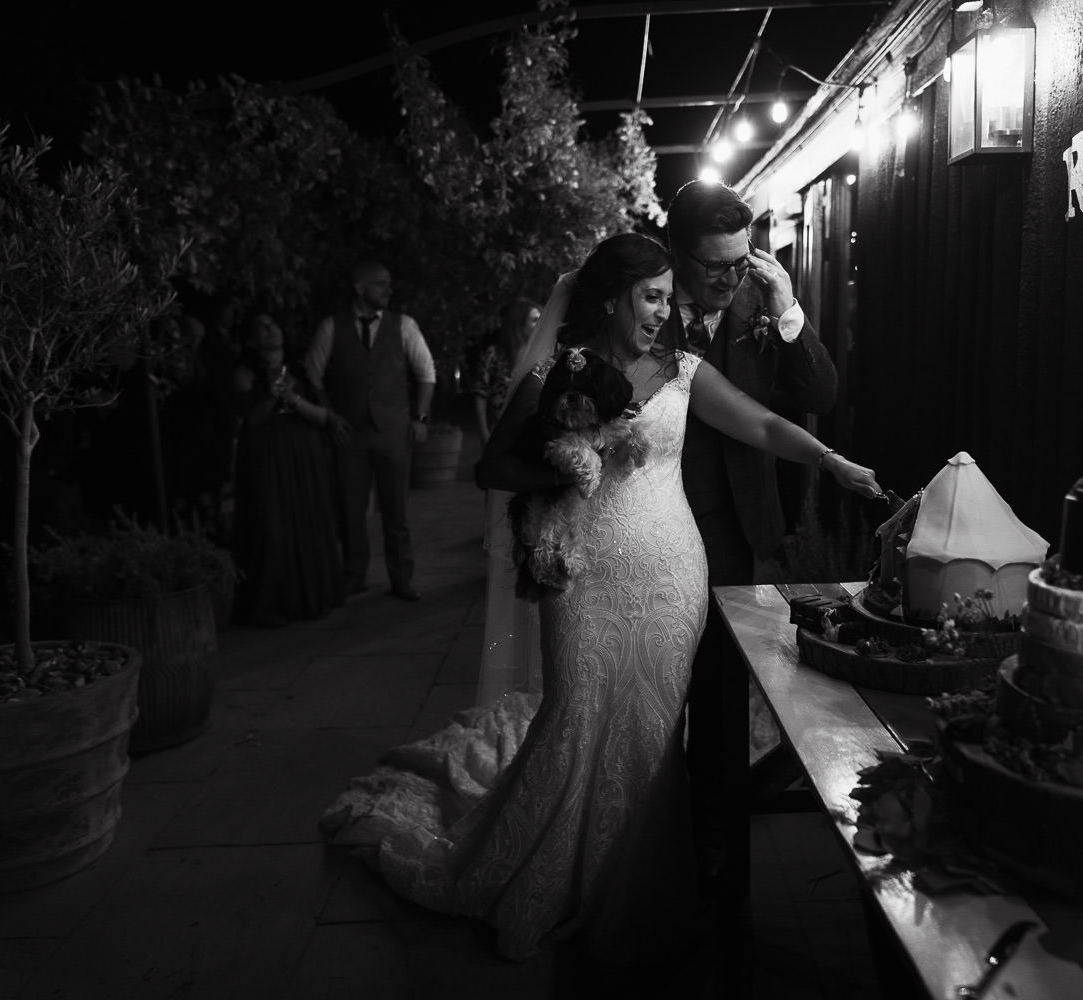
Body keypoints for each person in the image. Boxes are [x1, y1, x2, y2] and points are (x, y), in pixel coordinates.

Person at [320, 233, 881, 965]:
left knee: (651, 735)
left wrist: (830, 459)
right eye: (650, 297)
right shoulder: (557, 373)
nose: (661, 312)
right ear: (612, 297)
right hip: (583, 577)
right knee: (574, 713)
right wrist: (578, 457)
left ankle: (636, 888)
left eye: (663, 296)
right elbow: (494, 467)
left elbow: (764, 423)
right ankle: (550, 873)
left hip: (675, 574)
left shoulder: (683, 371)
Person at [662, 179, 840, 910]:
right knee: (654, 687)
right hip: (656, 520)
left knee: (721, 686)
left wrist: (789, 311)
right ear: (677, 256)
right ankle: (646, 826)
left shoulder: (758, 304)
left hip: (739, 527)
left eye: (741, 262)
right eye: (714, 267)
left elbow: (821, 396)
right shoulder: (641, 306)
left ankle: (713, 839)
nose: (729, 278)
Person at [306, 259, 435, 601]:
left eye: (388, 283)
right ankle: (353, 575)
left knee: (397, 511)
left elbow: (426, 374)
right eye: (380, 283)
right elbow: (313, 377)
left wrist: (419, 419)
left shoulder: (404, 325)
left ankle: (401, 578)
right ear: (359, 288)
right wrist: (331, 416)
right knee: (350, 508)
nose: (388, 290)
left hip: (393, 430)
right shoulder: (331, 327)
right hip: (350, 432)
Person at [230, 312, 345, 627]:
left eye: (273, 323)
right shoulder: (245, 373)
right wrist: (273, 393)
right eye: (262, 326)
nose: (271, 328)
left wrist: (291, 397)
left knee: (308, 518)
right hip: (267, 457)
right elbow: (251, 419)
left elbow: (321, 414)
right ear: (252, 340)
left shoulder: (299, 370)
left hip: (302, 455)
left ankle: (313, 593)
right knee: (271, 522)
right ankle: (274, 600)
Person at [466, 295, 545, 708]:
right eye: (532, 317)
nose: (538, 321)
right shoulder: (498, 354)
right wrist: (484, 437)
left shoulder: (542, 355)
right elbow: (479, 395)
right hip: (503, 435)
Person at [465, 296, 541, 450]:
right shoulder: (493, 355)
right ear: (518, 324)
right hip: (500, 433)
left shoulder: (540, 356)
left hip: (532, 434)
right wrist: (484, 433)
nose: (540, 325)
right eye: (534, 320)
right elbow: (480, 394)